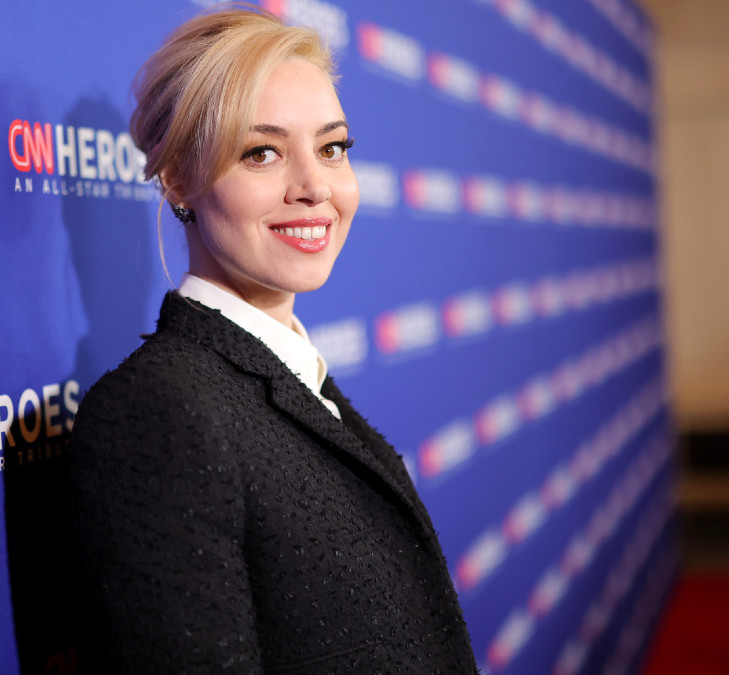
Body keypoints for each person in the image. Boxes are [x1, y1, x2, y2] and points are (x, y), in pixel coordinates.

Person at [67, 7, 478, 673]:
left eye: (331, 147)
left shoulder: (293, 380)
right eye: (262, 152)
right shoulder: (159, 411)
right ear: (177, 179)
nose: (315, 187)